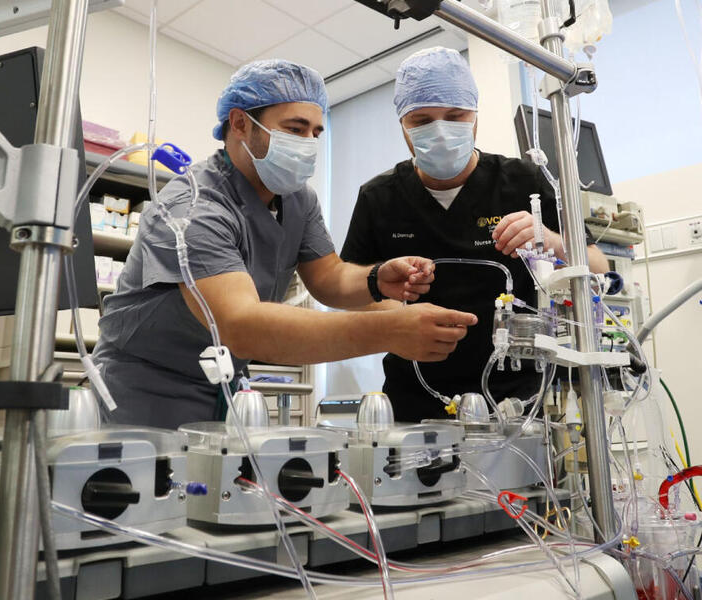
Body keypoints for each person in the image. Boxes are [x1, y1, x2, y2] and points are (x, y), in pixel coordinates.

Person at [93, 59, 478, 430]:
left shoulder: (297, 198)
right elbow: (240, 325)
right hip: (145, 391)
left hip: (223, 386)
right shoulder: (193, 207)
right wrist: (388, 331)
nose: (309, 143)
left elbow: (327, 276)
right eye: (295, 129)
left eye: (316, 132)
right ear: (241, 123)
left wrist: (377, 278)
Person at [340, 47, 607, 423]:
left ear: (475, 117)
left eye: (455, 116)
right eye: (421, 119)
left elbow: (598, 266)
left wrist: (552, 240)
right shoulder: (378, 197)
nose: (440, 130)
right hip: (414, 400)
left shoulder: (523, 182)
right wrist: (397, 318)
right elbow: (350, 292)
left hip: (517, 402)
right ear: (402, 124)